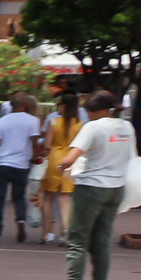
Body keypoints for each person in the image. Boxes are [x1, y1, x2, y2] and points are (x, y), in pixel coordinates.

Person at [49, 90, 133, 280]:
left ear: (97, 111)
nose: (88, 115)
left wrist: (61, 167)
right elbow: (130, 157)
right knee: (101, 244)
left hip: (91, 188)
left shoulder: (93, 127)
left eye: (89, 111)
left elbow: (69, 158)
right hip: (115, 189)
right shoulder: (127, 127)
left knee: (77, 241)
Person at [0, 95, 43, 242]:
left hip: (3, 164)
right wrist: (34, 158)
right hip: (22, 165)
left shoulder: (0, 123)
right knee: (19, 196)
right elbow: (35, 143)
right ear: (24, 104)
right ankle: (20, 219)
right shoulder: (33, 121)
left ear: (11, 105)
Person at [40, 95, 84, 244]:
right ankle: (65, 231)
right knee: (65, 198)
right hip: (71, 162)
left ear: (64, 106)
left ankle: (47, 233)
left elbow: (46, 145)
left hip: (54, 160)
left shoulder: (54, 122)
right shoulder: (80, 124)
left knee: (48, 198)